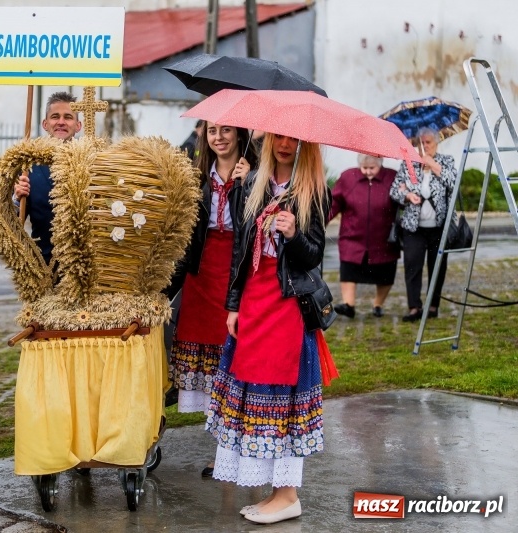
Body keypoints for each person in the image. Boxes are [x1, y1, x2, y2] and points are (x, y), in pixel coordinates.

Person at [206, 133, 332, 524]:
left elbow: (314, 255)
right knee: (252, 393)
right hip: (254, 302)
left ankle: (288, 494)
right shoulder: (254, 185)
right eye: (278, 136)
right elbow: (240, 253)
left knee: (282, 399)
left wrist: (294, 234)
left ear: (305, 144)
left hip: (288, 305)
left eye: (293, 138)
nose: (284, 143)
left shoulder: (314, 192)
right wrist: (232, 304)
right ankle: (272, 491)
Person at [165, 122, 252, 477]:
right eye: (212, 131)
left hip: (236, 271)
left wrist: (250, 184)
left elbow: (254, 226)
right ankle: (222, 443)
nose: (219, 137)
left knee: (232, 363)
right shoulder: (197, 178)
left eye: (226, 130)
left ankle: (229, 449)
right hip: (202, 276)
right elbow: (187, 235)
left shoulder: (254, 176)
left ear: (240, 135)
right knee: (210, 370)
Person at [389, 127, 456, 322]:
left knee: (437, 266)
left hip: (439, 226)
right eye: (421, 143)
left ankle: (433, 305)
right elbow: (394, 191)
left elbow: (454, 182)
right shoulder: (408, 164)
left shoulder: (446, 162)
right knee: (412, 266)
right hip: (413, 227)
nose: (424, 146)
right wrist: (407, 195)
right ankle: (414, 307)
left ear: (436, 143)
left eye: (428, 143)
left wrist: (434, 165)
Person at [13, 91, 82, 264]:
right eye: (55, 117)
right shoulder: (29, 168)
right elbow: (12, 223)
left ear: (78, 125)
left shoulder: (90, 165)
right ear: (45, 124)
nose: (61, 122)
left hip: (85, 268)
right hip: (43, 266)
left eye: (68, 117)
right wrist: (16, 198)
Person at [329, 154, 400, 318]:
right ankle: (349, 305)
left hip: (383, 238)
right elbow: (334, 203)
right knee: (348, 270)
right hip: (352, 236)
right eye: (365, 168)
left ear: (380, 164)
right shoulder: (348, 177)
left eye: (372, 168)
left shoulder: (391, 177)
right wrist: (321, 222)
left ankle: (378, 304)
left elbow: (400, 201)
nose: (368, 172)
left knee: (385, 275)